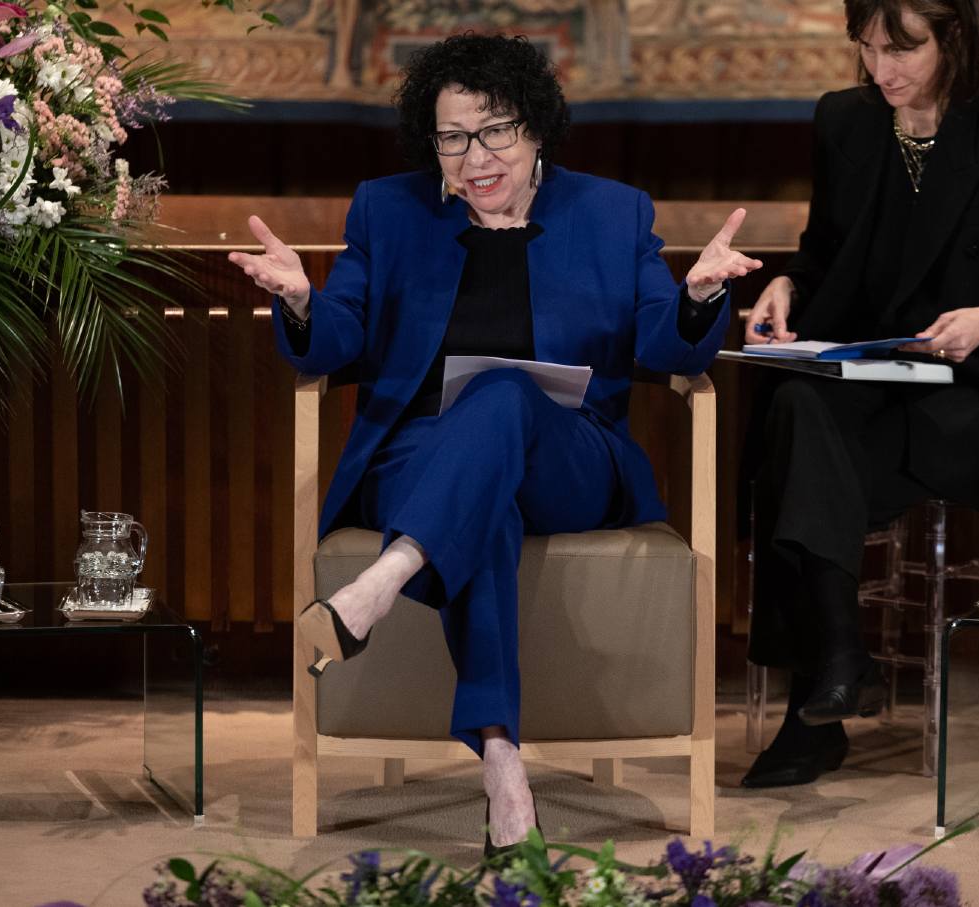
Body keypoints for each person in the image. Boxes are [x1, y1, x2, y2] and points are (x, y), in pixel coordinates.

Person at [229, 33, 761, 850]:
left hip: (572, 460)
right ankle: (503, 762)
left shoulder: (614, 211)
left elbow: (666, 344)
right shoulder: (387, 208)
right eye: (452, 137)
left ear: (536, 129)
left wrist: (695, 297)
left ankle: (387, 577)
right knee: (486, 512)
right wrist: (302, 299)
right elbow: (341, 334)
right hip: (423, 460)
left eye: (495, 131)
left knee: (504, 393)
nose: (475, 157)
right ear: (431, 143)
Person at [739, 0, 979, 788]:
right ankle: (841, 660)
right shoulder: (846, 122)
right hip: (871, 380)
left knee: (805, 443)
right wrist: (787, 285)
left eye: (903, 50)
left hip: (976, 395)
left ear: (954, 38)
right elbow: (824, 253)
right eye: (867, 49)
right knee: (794, 404)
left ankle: (816, 706)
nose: (882, 70)